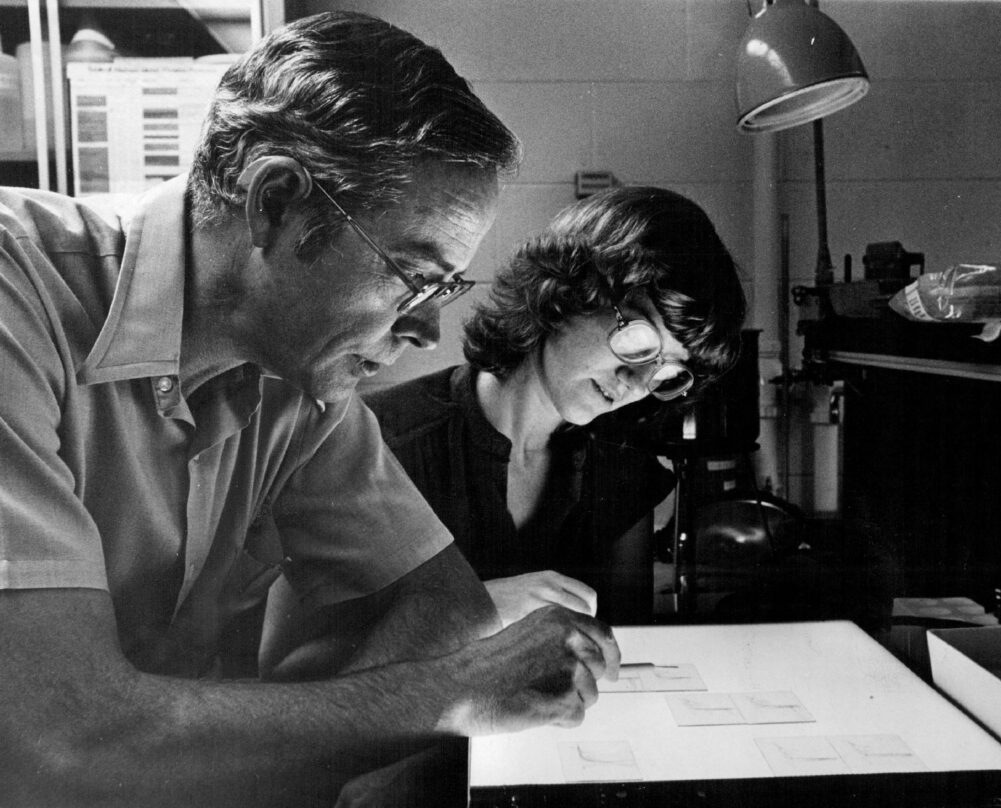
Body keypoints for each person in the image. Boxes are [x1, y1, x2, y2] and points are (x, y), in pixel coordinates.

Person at [0, 11, 621, 807]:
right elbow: (62, 736)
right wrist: (449, 693)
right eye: (413, 275)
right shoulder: (20, 296)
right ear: (279, 201)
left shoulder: (298, 374)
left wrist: (250, 746)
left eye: (444, 290)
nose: (430, 330)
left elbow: (442, 599)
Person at [363, 187, 748, 628]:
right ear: (568, 292)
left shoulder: (623, 473)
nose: (637, 383)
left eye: (667, 370)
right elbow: (312, 658)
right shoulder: (378, 441)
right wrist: (471, 610)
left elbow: (621, 646)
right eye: (642, 341)